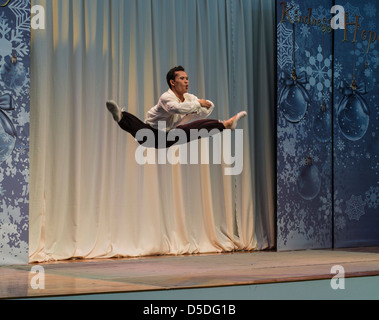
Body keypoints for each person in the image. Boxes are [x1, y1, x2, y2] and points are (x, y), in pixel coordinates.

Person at [106, 66, 247, 149]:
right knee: (140, 128)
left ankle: (226, 125)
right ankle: (121, 116)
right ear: (172, 82)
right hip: (151, 133)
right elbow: (176, 109)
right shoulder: (166, 97)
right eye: (182, 79)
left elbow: (207, 109)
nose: (186, 81)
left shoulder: (189, 98)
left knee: (194, 127)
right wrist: (198, 105)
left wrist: (200, 106)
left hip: (170, 135)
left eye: (187, 79)